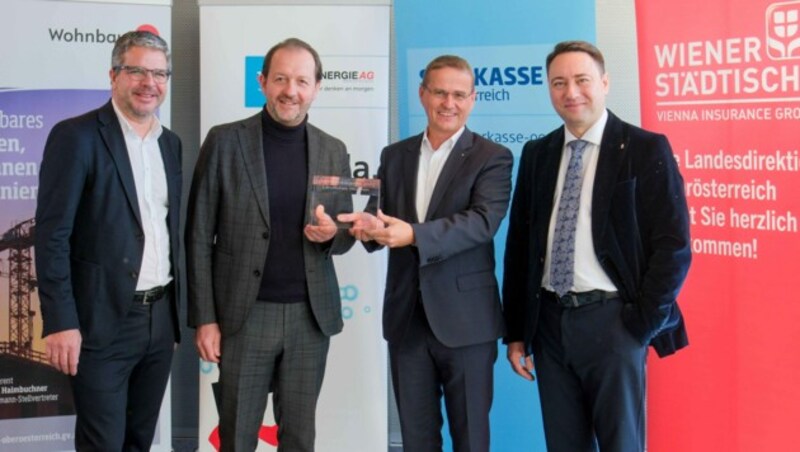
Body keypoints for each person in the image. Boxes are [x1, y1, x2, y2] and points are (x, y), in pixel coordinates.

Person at [502, 40, 691, 452]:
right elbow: (520, 247)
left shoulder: (644, 148)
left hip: (615, 323)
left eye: (582, 80)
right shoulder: (537, 153)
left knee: (621, 444)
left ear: (604, 83)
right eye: (559, 82)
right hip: (550, 324)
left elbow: (674, 246)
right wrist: (517, 331)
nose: (571, 92)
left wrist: (640, 326)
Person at [186, 37, 354, 452]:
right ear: (262, 82)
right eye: (280, 78)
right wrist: (205, 318)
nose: (290, 91)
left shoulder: (334, 150)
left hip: (309, 319)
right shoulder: (225, 141)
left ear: (317, 87)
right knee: (237, 436)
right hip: (244, 316)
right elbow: (198, 233)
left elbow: (347, 232)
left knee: (299, 438)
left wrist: (333, 234)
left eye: (301, 80)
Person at [341, 55, 513, 452]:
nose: (448, 103)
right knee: (417, 441)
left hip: (467, 324)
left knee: (471, 439)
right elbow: (378, 220)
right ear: (422, 94)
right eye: (439, 92)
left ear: (473, 99)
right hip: (407, 322)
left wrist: (413, 235)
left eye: (458, 94)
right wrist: (362, 228)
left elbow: (482, 222)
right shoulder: (394, 155)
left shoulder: (493, 157)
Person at [35, 30, 182, 451]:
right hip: (100, 322)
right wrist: (61, 321)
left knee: (140, 439)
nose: (148, 83)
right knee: (102, 443)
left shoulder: (170, 144)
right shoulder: (76, 136)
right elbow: (51, 235)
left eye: (159, 73)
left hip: (160, 319)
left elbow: (168, 231)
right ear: (113, 75)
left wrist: (174, 317)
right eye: (136, 70)